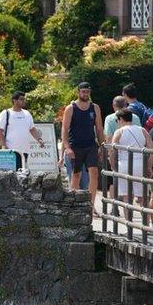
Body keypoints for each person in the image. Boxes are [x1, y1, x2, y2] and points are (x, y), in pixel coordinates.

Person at [61, 82, 105, 215]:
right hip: (75, 146)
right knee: (76, 176)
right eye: (83, 91)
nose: (85, 94)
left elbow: (99, 128)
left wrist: (102, 146)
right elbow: (65, 128)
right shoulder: (71, 108)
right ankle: (73, 204)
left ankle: (90, 206)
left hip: (90, 146)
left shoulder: (95, 107)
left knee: (94, 174)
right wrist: (67, 147)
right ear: (78, 92)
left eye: (87, 92)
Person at [110, 109, 153, 221]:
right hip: (140, 164)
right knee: (143, 197)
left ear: (120, 119)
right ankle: (146, 225)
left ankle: (129, 226)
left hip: (124, 164)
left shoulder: (119, 132)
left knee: (126, 197)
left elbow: (113, 151)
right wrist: (148, 165)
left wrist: (113, 166)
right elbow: (152, 149)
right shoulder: (142, 130)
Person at [0, 91, 45, 170]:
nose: (23, 101)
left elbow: (32, 129)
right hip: (10, 151)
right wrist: (4, 146)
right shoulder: (6, 113)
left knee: (22, 175)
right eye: (21, 99)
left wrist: (39, 139)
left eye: (24, 99)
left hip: (24, 151)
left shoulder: (27, 114)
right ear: (14, 101)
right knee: (12, 175)